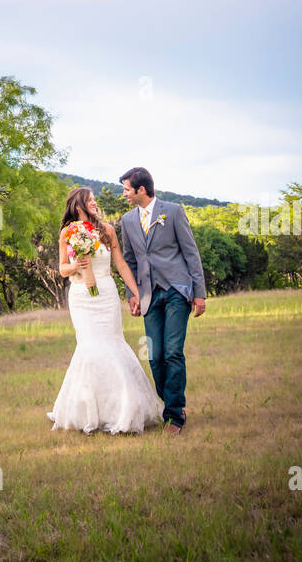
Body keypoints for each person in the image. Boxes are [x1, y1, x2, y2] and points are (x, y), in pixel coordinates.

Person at [47, 185, 163, 435]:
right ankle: (88, 412)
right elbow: (62, 269)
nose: (94, 203)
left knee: (111, 344)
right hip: (81, 296)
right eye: (90, 200)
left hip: (106, 295)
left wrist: (136, 293)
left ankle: (122, 410)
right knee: (89, 347)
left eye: (94, 200)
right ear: (79, 205)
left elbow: (120, 264)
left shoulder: (107, 230)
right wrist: (77, 265)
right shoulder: (67, 232)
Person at [119, 166, 206, 434]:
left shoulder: (174, 211)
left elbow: (191, 253)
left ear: (141, 190)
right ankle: (172, 404)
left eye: (126, 189)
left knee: (172, 351)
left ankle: (174, 416)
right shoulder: (127, 221)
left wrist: (199, 293)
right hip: (148, 295)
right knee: (155, 357)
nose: (124, 194)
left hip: (177, 290)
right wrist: (132, 295)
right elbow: (129, 260)